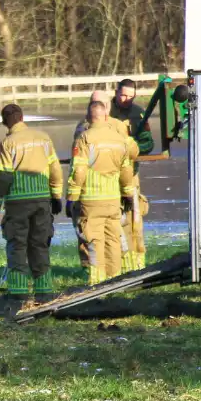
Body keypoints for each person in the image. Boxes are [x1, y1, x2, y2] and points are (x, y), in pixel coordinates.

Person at [0, 104, 63, 300]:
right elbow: (55, 168)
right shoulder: (43, 138)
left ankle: (19, 292)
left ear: (4, 122)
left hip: (17, 202)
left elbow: (4, 177)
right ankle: (44, 290)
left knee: (17, 245)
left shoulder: (6, 144)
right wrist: (56, 196)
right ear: (22, 118)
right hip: (41, 200)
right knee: (40, 244)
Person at [67, 101, 135, 286]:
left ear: (89, 117)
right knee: (113, 240)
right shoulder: (119, 139)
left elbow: (79, 170)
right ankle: (115, 282)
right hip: (113, 199)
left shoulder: (84, 138)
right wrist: (128, 193)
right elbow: (126, 170)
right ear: (106, 116)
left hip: (91, 200)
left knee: (94, 242)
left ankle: (97, 284)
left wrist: (71, 197)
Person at [110, 79, 151, 273]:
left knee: (135, 217)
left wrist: (131, 150)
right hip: (108, 174)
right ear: (116, 92)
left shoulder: (139, 114)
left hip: (131, 173)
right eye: (123, 95)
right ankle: (114, 263)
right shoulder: (104, 112)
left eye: (130, 96)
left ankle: (138, 264)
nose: (126, 99)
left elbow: (148, 143)